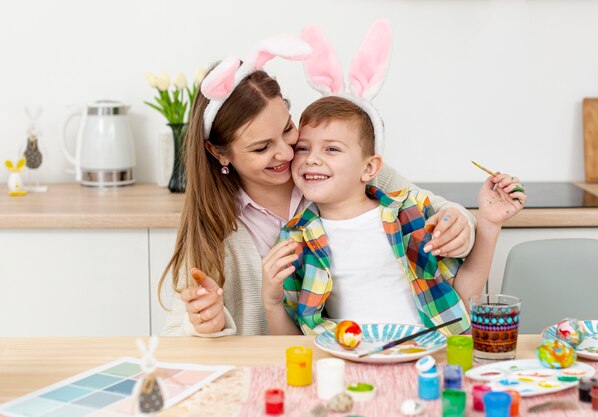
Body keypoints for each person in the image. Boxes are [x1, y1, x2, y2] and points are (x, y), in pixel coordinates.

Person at [159, 33, 477, 337]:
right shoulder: (213, 226)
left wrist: (459, 225)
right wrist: (206, 324)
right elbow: (175, 334)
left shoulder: (348, 173)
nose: (286, 153)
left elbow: (441, 210)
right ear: (219, 152)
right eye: (261, 148)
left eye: (287, 129)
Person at [260, 22, 526, 336]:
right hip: (354, 365)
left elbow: (463, 299)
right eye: (302, 148)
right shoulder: (295, 239)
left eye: (331, 148)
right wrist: (272, 303)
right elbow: (294, 346)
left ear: (370, 168)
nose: (312, 158)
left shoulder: (411, 213)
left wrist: (489, 224)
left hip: (429, 359)